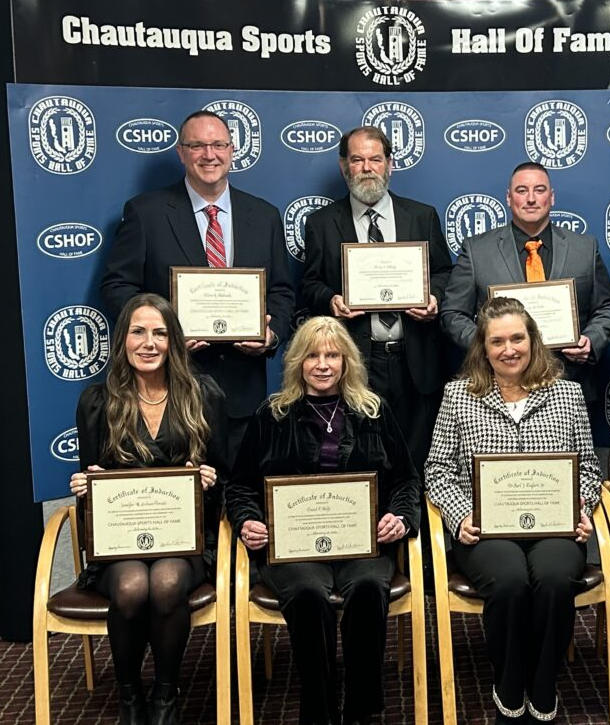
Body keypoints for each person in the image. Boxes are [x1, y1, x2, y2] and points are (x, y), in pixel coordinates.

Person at [226, 316, 420, 725]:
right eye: (312, 355)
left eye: (332, 355)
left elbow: (405, 480)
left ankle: (361, 709)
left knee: (368, 586)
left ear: (348, 360)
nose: (323, 364)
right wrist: (247, 521)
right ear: (297, 361)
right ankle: (318, 710)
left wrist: (400, 517)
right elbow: (240, 486)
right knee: (309, 594)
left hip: (363, 542)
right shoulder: (272, 414)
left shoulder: (373, 410)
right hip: (292, 548)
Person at [425, 297, 602, 723]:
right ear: (483, 348)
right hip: (487, 530)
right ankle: (508, 681)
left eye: (517, 338)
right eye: (498, 341)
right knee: (509, 581)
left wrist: (581, 505)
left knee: (557, 578)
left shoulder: (568, 393)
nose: (509, 349)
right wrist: (459, 514)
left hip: (555, 527)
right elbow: (437, 469)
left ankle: (543, 683)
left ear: (533, 340)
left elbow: (590, 468)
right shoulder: (458, 395)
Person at [69, 293, 228, 725]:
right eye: (138, 331)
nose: (148, 342)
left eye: (159, 333)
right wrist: (84, 484)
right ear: (122, 340)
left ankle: (165, 693)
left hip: (187, 540)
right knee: (132, 586)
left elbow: (227, 476)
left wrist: (211, 480)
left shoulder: (203, 394)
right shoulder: (97, 403)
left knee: (166, 580)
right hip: (121, 547)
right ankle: (129, 694)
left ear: (173, 341)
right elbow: (93, 480)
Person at [101, 109, 295, 460]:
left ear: (232, 150)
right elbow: (118, 286)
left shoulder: (264, 215)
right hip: (168, 391)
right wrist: (163, 333)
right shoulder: (146, 213)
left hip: (243, 393)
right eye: (198, 146)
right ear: (181, 152)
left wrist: (272, 335)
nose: (210, 155)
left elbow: (281, 291)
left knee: (239, 503)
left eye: (219, 144)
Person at [301, 125, 453, 472]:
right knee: (361, 457)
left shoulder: (421, 215)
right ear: (344, 167)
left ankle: (415, 524)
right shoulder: (321, 223)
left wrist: (434, 298)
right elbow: (309, 284)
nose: (367, 167)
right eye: (357, 160)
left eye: (375, 159)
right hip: (356, 359)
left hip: (414, 358)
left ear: (390, 164)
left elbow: (446, 273)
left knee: (417, 461)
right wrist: (332, 300)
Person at [440, 161, 610, 413]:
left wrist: (590, 341)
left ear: (552, 197)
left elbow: (607, 307)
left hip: (567, 382)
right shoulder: (477, 249)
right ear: (508, 197)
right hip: (497, 387)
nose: (531, 199)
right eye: (522, 191)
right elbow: (453, 314)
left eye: (540, 190)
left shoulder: (584, 248)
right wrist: (490, 346)